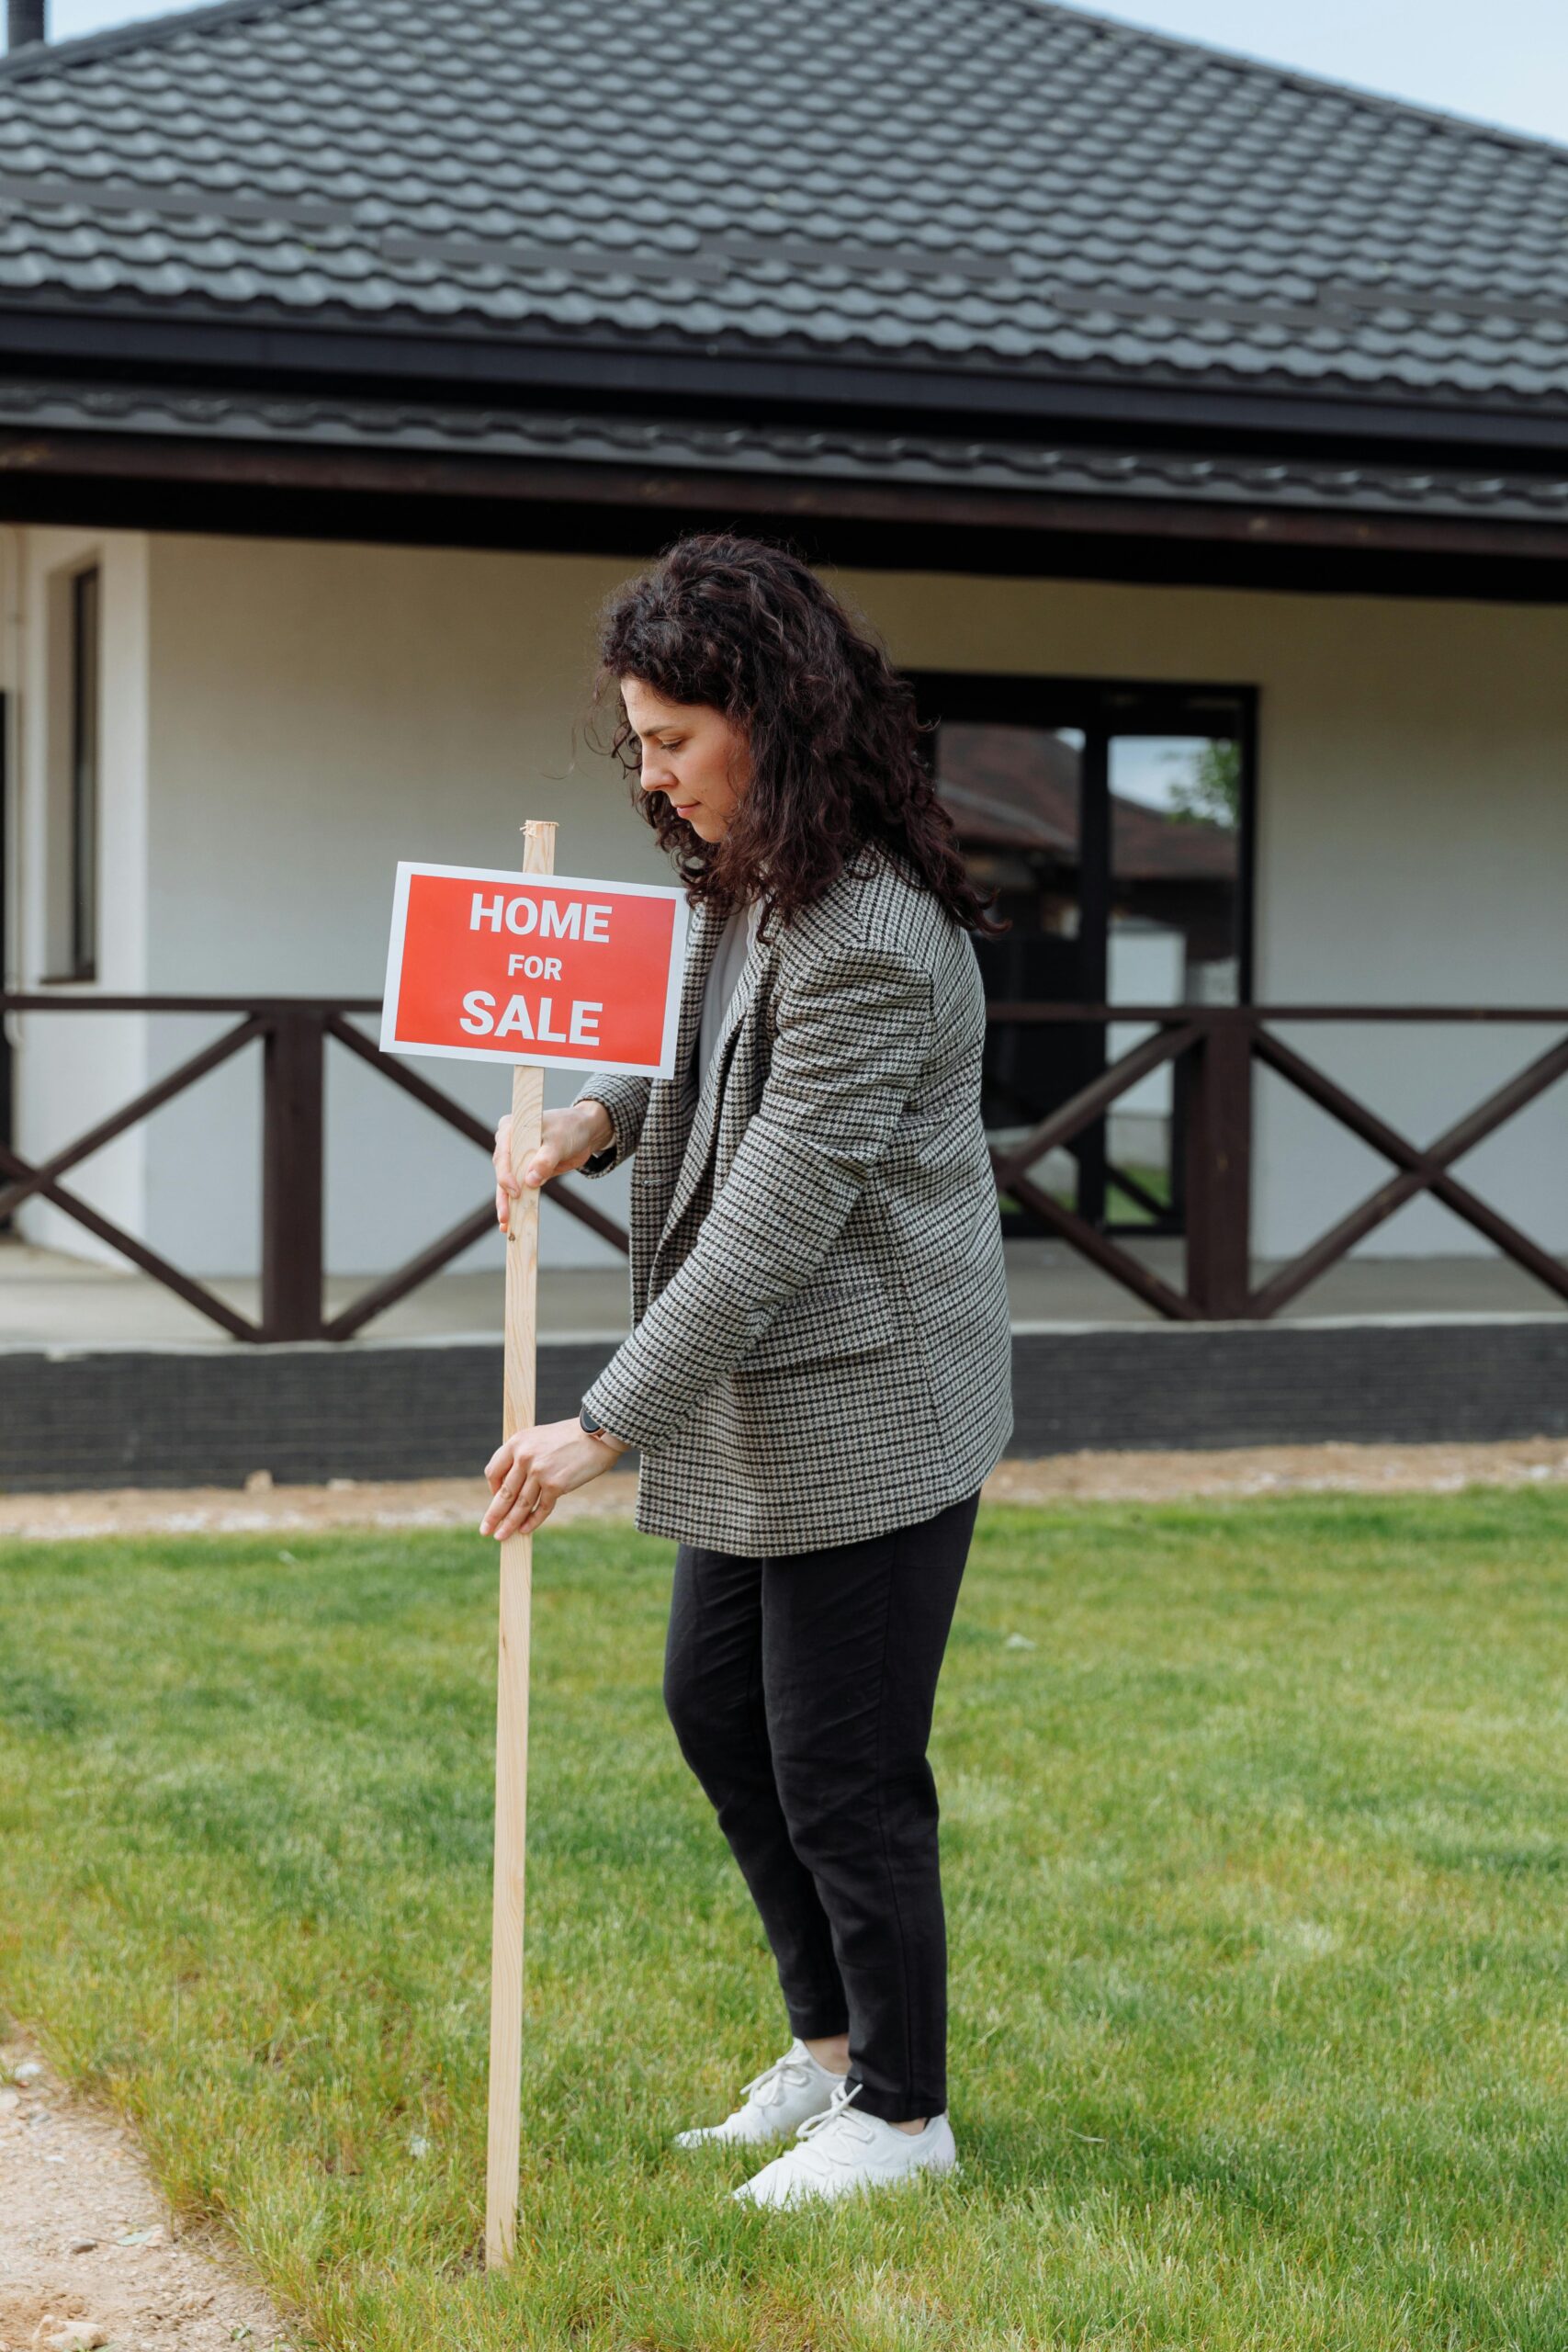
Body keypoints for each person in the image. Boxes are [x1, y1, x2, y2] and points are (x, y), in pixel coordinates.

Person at [481, 532, 1012, 2211]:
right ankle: (835, 2053)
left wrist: (598, 1426)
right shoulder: (750, 887)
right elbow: (718, 1080)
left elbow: (777, 1215)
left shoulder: (871, 935)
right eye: (638, 739)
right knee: (719, 1710)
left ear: (768, 721)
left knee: (844, 1767)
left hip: (875, 1401)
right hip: (770, 1405)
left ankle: (910, 2116)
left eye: (672, 740)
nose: (651, 775)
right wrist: (598, 1114)